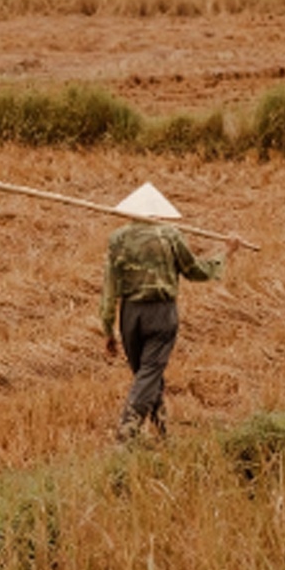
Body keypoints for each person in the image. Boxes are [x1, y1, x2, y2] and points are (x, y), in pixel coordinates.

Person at [99, 182, 239, 445]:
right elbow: (195, 271)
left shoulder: (117, 239)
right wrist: (226, 253)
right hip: (162, 314)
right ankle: (127, 433)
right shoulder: (170, 235)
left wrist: (108, 330)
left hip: (130, 315)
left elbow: (109, 289)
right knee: (150, 374)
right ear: (158, 211)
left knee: (146, 374)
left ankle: (163, 434)